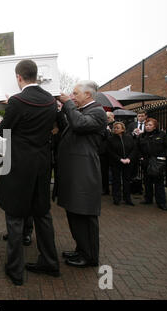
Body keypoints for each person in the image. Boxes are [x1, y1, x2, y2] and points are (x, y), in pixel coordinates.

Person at [0, 59, 60, 286]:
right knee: (42, 213)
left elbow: (4, 131)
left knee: (14, 216)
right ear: (37, 76)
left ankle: (15, 270)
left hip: (19, 165)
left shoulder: (17, 101)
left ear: (19, 78)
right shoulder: (50, 100)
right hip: (42, 164)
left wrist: (9, 109)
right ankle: (50, 262)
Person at [57, 80, 107, 268]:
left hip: (84, 172)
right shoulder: (83, 111)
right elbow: (67, 125)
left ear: (88, 95)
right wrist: (61, 108)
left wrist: (68, 104)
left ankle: (90, 256)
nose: (72, 97)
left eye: (75, 94)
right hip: (76, 171)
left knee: (85, 214)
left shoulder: (97, 112)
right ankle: (81, 249)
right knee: (74, 212)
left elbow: (78, 124)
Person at [137, 118, 167, 210]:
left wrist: (162, 157)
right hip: (146, 162)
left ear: (155, 126)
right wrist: (141, 156)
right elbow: (137, 148)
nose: (147, 127)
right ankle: (148, 199)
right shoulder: (142, 136)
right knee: (147, 182)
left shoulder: (162, 135)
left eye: (150, 125)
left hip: (157, 163)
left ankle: (161, 202)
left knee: (159, 183)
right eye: (146, 125)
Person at [107, 121, 137, 206]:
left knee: (126, 181)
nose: (115, 129)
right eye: (114, 128)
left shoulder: (129, 137)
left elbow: (134, 149)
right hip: (116, 163)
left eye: (118, 128)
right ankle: (117, 198)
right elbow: (110, 152)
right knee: (116, 181)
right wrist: (120, 159)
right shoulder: (110, 139)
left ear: (123, 129)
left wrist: (129, 158)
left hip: (128, 162)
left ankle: (127, 199)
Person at [99, 111, 115, 195]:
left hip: (113, 152)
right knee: (103, 171)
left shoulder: (116, 125)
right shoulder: (103, 125)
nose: (107, 119)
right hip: (103, 152)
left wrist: (109, 131)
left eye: (108, 118)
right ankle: (105, 188)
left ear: (113, 117)